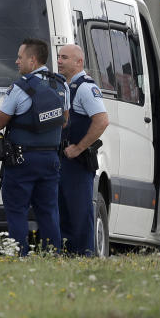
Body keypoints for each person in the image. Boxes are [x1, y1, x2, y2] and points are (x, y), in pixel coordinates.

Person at [0, 39, 69, 256]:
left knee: (17, 211)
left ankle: (19, 255)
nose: (16, 61)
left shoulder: (20, 87)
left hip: (21, 160)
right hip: (50, 160)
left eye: (20, 57)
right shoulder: (61, 84)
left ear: (33, 60)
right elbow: (64, 120)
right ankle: (53, 255)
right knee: (49, 211)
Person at [56, 44, 109, 255]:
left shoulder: (86, 88)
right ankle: (68, 256)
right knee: (64, 212)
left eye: (65, 58)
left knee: (79, 212)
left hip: (77, 163)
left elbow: (102, 121)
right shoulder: (66, 87)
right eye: (59, 57)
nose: (59, 61)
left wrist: (79, 148)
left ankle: (85, 256)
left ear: (79, 62)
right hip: (63, 161)